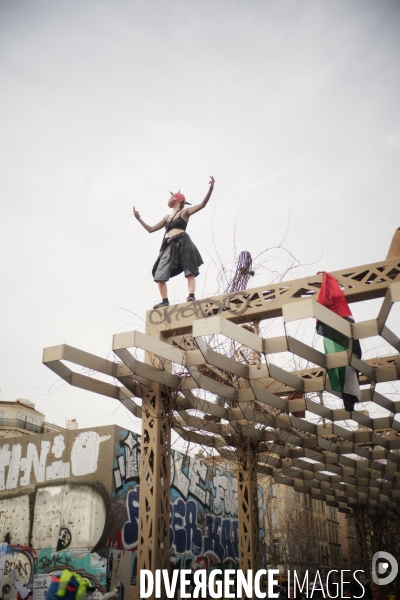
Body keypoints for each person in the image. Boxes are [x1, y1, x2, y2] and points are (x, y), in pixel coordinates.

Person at [133, 176, 215, 308]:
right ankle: (165, 301)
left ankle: (191, 296)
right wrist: (139, 218)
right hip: (169, 245)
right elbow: (151, 229)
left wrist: (210, 188)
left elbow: (202, 205)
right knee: (159, 274)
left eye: (174, 197)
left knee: (190, 270)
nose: (171, 199)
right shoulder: (167, 217)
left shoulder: (185, 212)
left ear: (180, 200)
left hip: (184, 242)